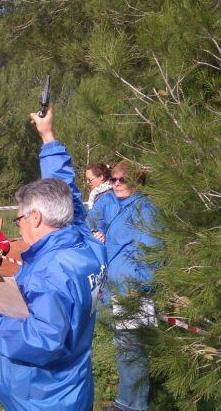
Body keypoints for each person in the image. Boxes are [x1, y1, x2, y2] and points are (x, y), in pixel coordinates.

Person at [0, 104, 107, 411]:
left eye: (18, 219)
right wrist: (48, 137)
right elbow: (65, 191)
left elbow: (43, 340)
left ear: (35, 217)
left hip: (43, 398)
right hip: (72, 387)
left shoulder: (51, 270)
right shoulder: (86, 243)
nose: (18, 226)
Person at [90, 161, 160, 411]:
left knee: (132, 350)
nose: (116, 184)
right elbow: (90, 222)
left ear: (137, 181)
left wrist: (140, 288)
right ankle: (126, 401)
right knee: (123, 348)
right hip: (111, 287)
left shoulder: (146, 209)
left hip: (132, 290)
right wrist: (97, 232)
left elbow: (153, 253)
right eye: (114, 179)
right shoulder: (109, 201)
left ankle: (135, 405)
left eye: (122, 180)